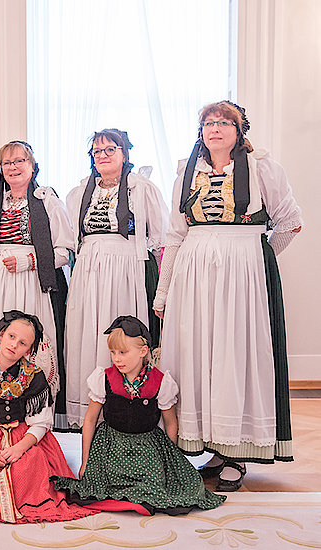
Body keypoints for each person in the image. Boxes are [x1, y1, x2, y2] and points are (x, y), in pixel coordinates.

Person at [153, 101, 303, 491]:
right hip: (194, 273)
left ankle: (236, 451)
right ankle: (214, 446)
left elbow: (290, 222)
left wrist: (258, 260)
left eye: (223, 122)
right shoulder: (185, 174)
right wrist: (164, 289)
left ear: (240, 130)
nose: (214, 129)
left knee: (235, 354)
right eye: (207, 123)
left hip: (243, 276)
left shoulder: (262, 169)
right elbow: (174, 235)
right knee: (201, 355)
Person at [54, 316, 225, 515]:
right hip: (111, 444)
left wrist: (169, 461)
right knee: (100, 483)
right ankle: (127, 497)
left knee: (158, 484)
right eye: (113, 352)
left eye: (123, 352)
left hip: (147, 444)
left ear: (143, 351)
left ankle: (139, 496)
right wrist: (85, 462)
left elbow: (170, 423)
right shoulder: (104, 378)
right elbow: (91, 420)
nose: (116, 358)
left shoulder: (160, 381)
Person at [0, 311, 100, 523]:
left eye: (22, 343)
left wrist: (20, 447)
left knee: (31, 462)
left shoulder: (35, 376)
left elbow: (41, 422)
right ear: (1, 335)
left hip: (24, 435)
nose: (14, 345)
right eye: (11, 337)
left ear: (29, 349)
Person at [65, 129, 168, 428]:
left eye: (110, 149)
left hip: (126, 269)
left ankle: (127, 410)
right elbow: (74, 240)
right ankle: (91, 415)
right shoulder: (80, 192)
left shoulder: (142, 189)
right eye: (97, 152)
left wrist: (162, 288)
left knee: (120, 332)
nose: (103, 156)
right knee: (88, 333)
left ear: (125, 154)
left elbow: (160, 239)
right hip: (89, 270)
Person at [0, 141, 74, 391]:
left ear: (32, 166)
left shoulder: (47, 202)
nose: (13, 167)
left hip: (30, 284)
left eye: (20, 161)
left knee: (25, 339)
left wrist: (29, 262)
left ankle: (30, 402)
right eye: (7, 162)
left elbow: (65, 252)